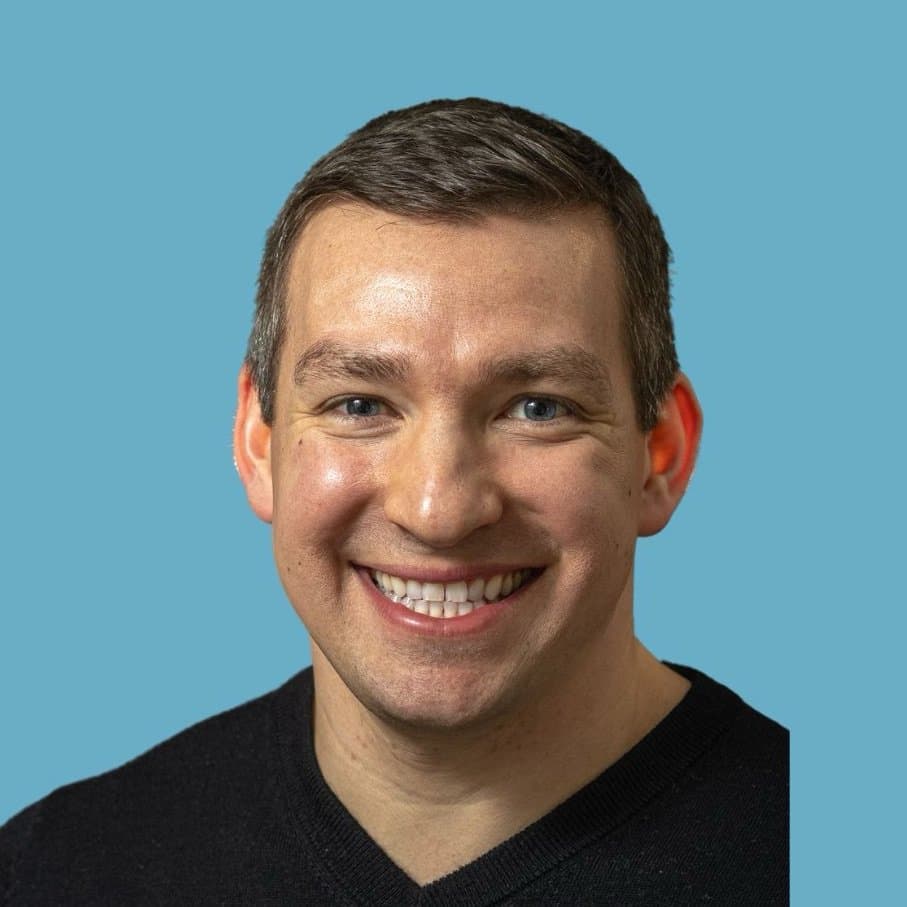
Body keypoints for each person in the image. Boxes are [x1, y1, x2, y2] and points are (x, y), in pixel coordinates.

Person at [0, 98, 788, 905]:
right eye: (359, 404)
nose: (437, 509)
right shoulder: (52, 872)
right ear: (258, 441)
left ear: (660, 454)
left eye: (536, 408)